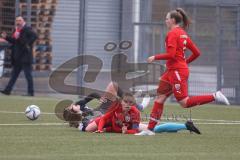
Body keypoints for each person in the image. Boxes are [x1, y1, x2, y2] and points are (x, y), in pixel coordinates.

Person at [137, 8, 230, 136]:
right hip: (172, 71)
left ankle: (215, 96)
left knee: (184, 102)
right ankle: (150, 130)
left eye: (167, 18)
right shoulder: (182, 33)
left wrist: (155, 57)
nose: (165, 20)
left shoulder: (173, 33)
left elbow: (171, 54)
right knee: (159, 99)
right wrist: (184, 63)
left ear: (173, 20)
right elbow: (197, 53)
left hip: (177, 72)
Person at [0, 16, 37, 96]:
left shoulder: (27, 29)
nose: (18, 22)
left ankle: (31, 92)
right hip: (17, 57)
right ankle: (7, 90)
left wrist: (28, 43)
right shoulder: (16, 30)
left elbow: (34, 36)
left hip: (25, 57)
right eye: (17, 20)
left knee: (28, 75)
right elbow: (14, 41)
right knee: (14, 76)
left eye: (20, 20)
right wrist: (6, 37)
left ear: (23, 21)